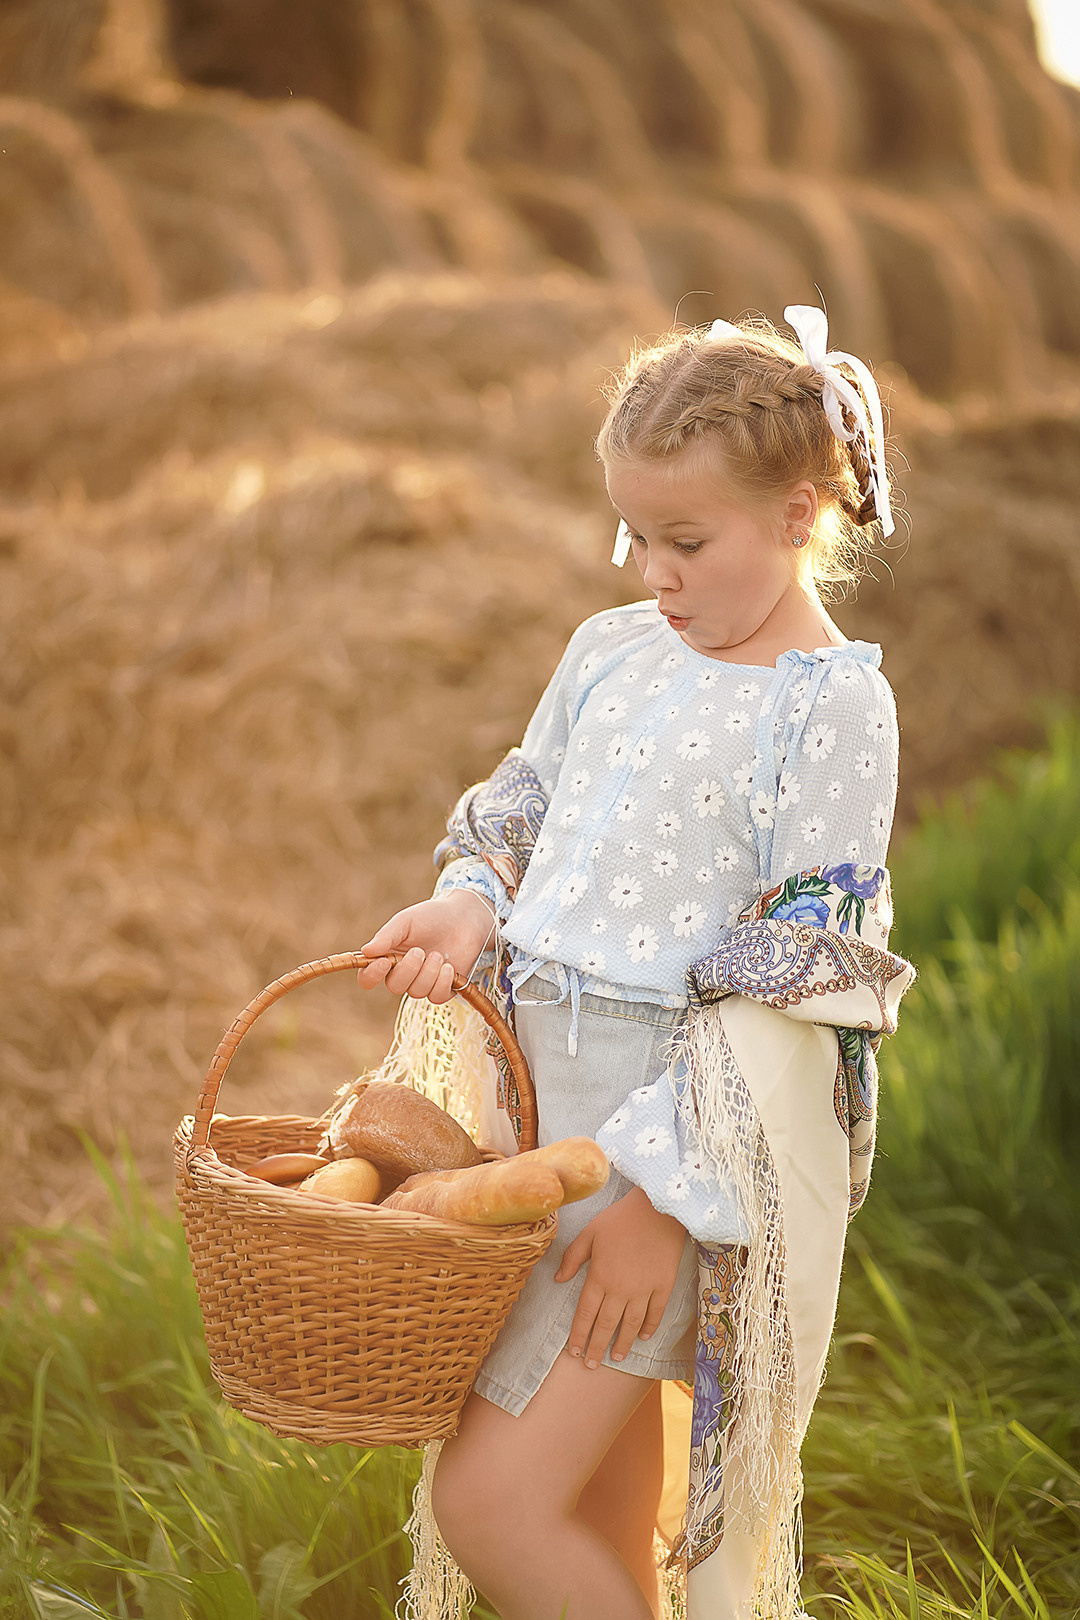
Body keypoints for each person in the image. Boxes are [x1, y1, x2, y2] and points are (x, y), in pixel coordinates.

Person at [355, 306, 915, 1620]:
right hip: (534, 1124)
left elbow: (798, 979)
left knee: (491, 1505)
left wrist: (661, 1203)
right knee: (594, 1506)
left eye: (686, 541)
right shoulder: (611, 650)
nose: (655, 572)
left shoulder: (830, 705)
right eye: (635, 537)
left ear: (798, 514)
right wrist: (469, 902)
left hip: (670, 1149)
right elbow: (527, 804)